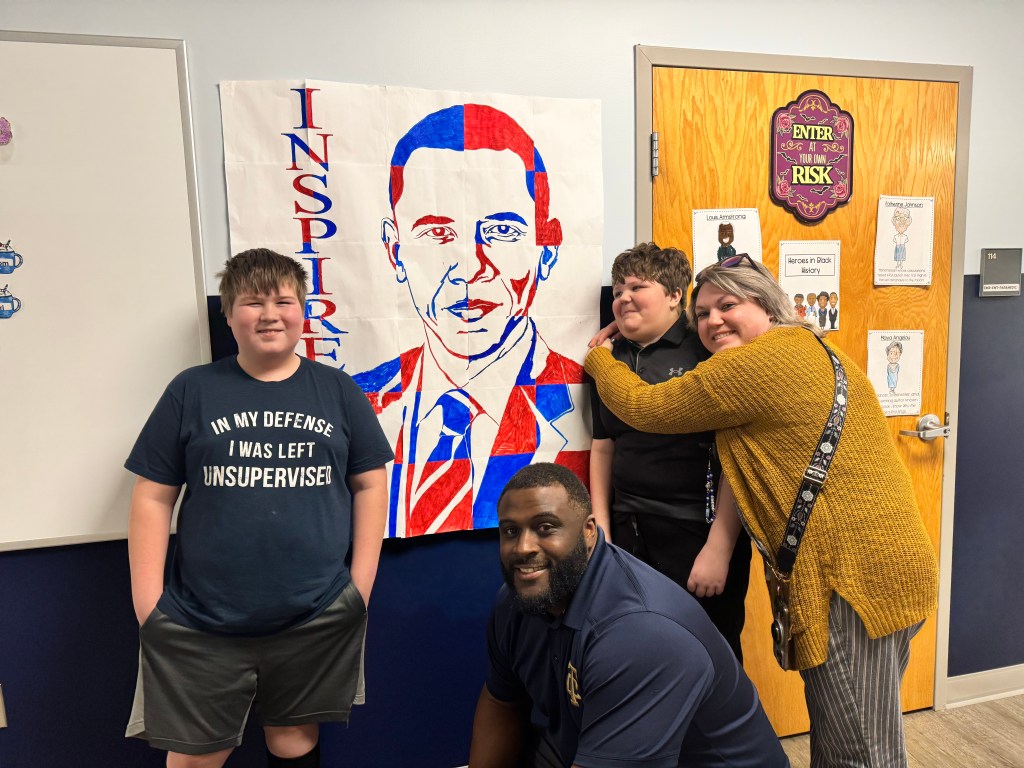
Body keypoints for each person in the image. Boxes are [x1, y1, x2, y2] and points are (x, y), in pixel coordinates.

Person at [585, 254, 938, 768]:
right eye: (702, 314)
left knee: (859, 752)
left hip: (851, 580)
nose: (713, 321)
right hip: (879, 569)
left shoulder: (759, 364)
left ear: (768, 306)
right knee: (855, 731)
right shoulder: (804, 347)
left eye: (727, 305)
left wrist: (599, 359)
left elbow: (646, 408)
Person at [125, 249, 394, 768]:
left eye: (283, 301)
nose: (270, 314)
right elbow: (153, 495)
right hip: (202, 620)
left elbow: (369, 484)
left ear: (303, 312)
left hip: (315, 614)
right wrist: (148, 604)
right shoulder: (191, 390)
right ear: (228, 315)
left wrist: (358, 590)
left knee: (294, 741)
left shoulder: (336, 390)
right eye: (253, 302)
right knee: (196, 756)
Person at [353, 104, 589, 538]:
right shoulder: (358, 400)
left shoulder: (583, 396)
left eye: (501, 231)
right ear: (395, 250)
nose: (469, 269)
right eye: (438, 233)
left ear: (547, 249)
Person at [468, 463, 788, 768]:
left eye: (545, 527)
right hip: (588, 746)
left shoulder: (641, 633)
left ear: (589, 531)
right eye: (511, 531)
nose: (523, 547)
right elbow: (501, 702)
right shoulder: (519, 600)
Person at [590, 242, 749, 660]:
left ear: (676, 295)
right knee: (642, 651)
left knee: (710, 655)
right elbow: (604, 447)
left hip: (698, 533)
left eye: (637, 287)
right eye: (618, 290)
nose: (623, 297)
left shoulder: (708, 347)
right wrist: (602, 531)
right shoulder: (605, 358)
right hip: (629, 531)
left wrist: (719, 549)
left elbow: (738, 459)